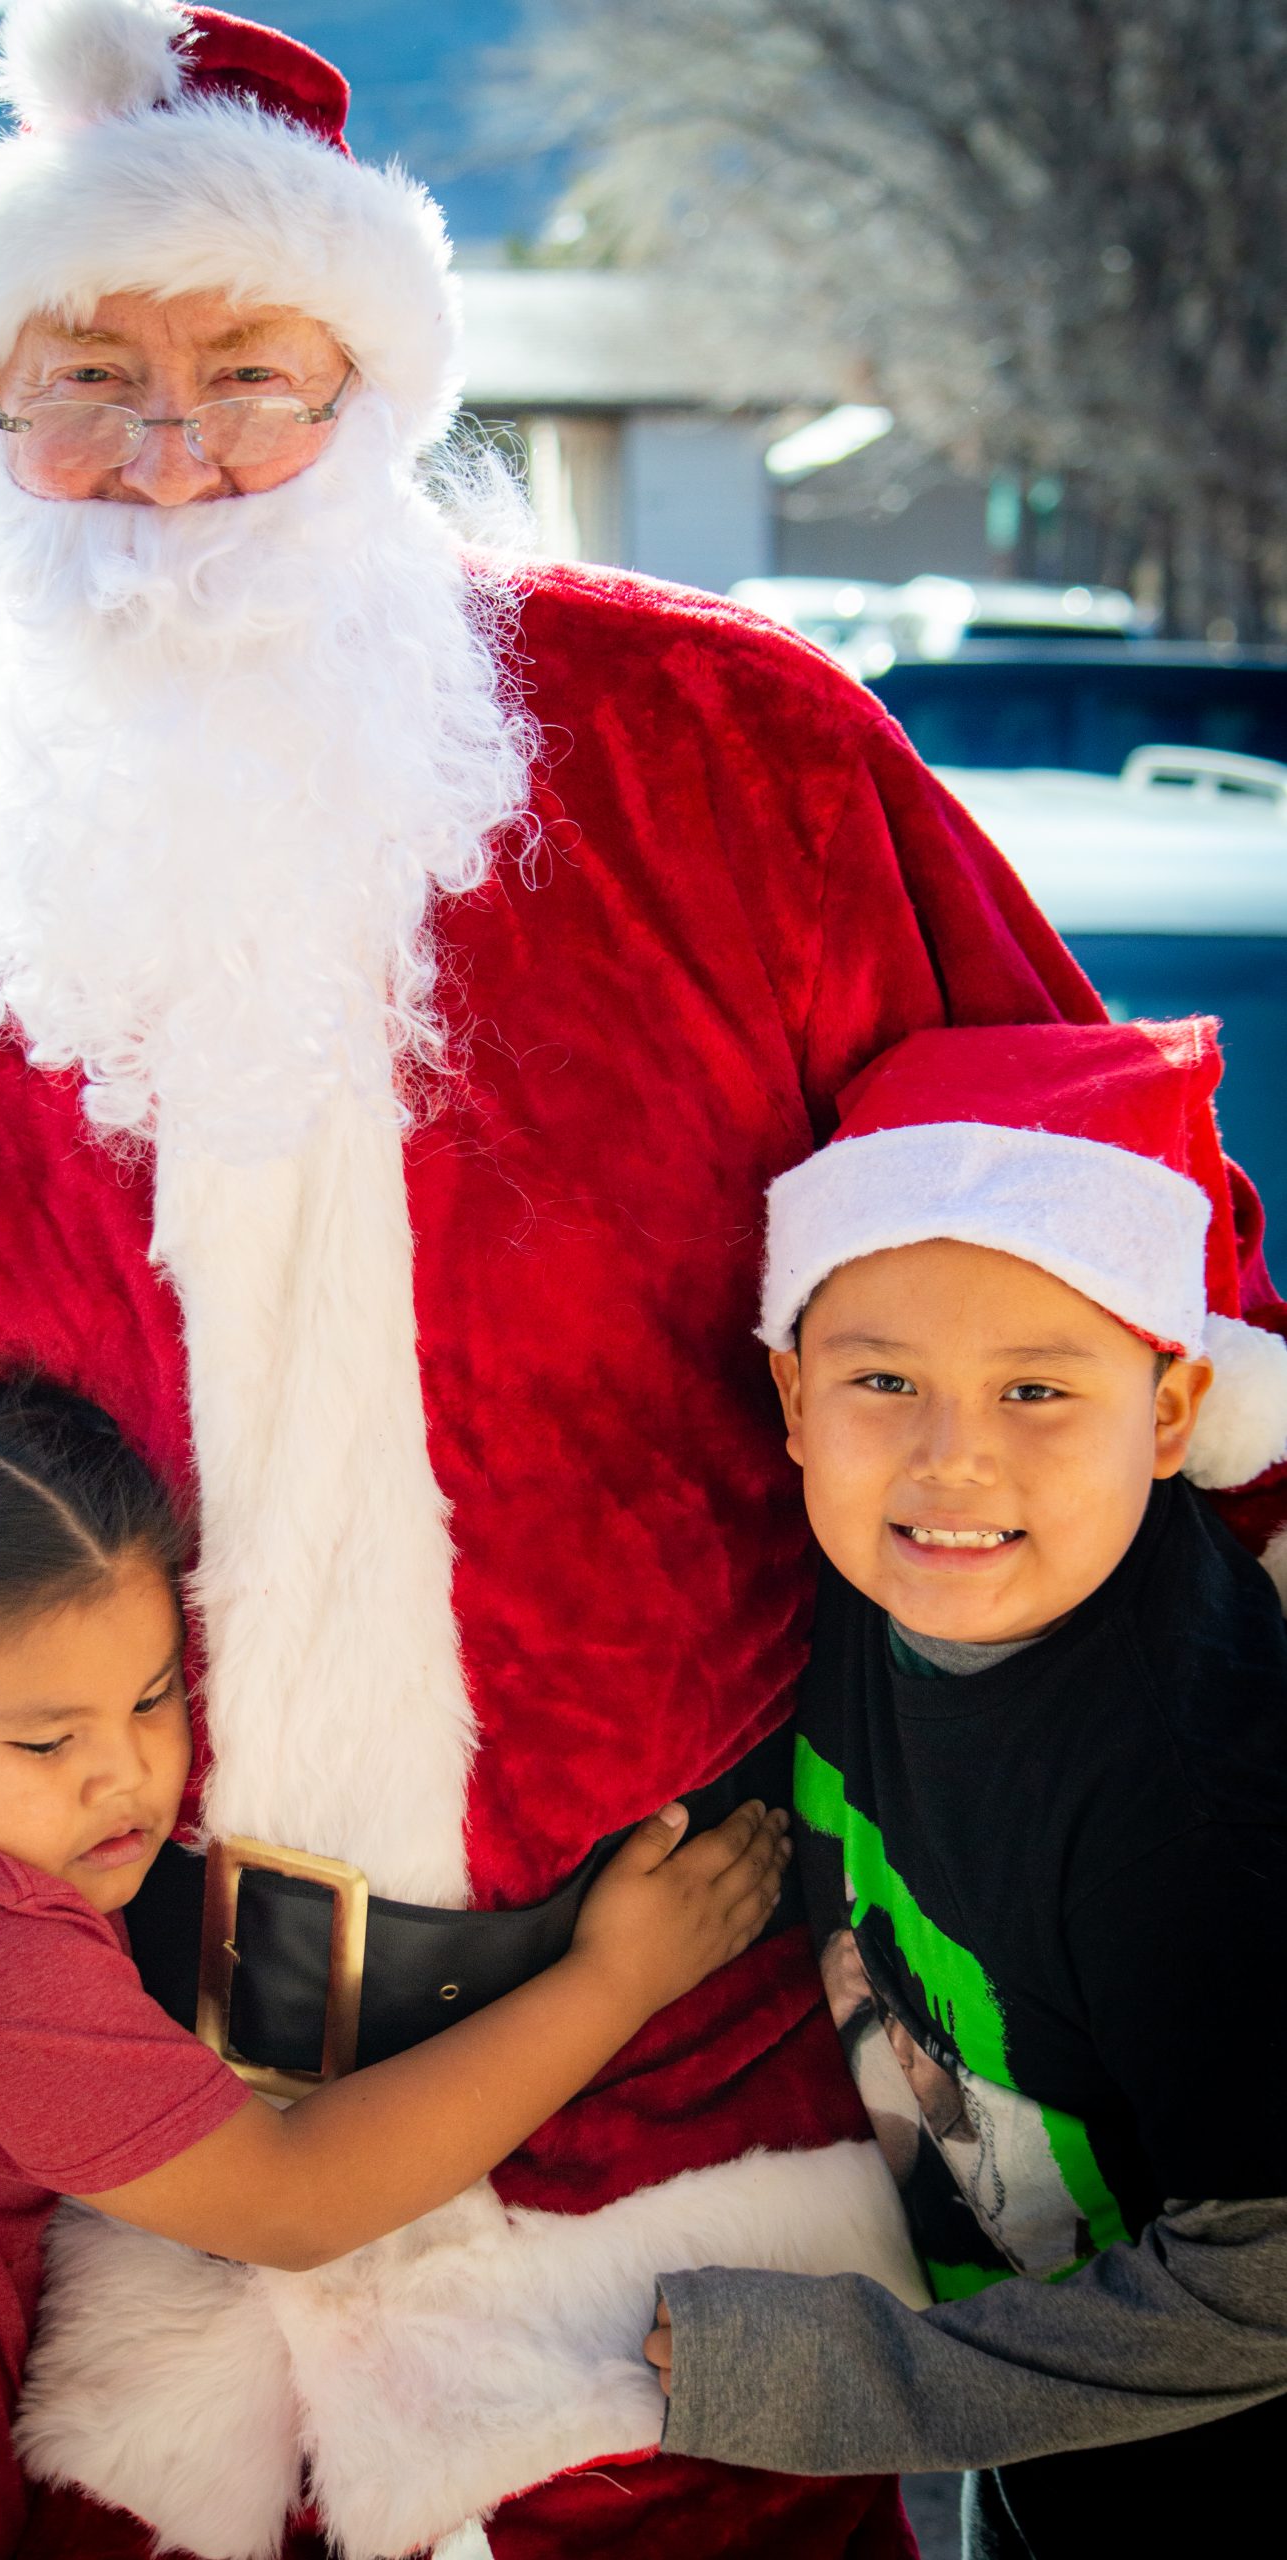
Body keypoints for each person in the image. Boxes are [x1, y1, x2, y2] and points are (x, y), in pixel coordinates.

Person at [0, 4, 1282, 2552]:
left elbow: (1119, 1255)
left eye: (252, 366)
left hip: (672, 2139)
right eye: (83, 376)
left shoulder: (739, 761)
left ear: (372, 386)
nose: (173, 452)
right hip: (90, 2158)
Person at [0, 1376, 794, 2560]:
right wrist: (616, 1979)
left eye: (155, 1697)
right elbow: (290, 2199)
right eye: (46, 1738)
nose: (126, 1775)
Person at [645, 1019, 1287, 2556]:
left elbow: (1266, 2288)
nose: (950, 1463)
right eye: (884, 1380)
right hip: (1040, 2459)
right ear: (792, 1403)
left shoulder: (1188, 1809)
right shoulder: (859, 1596)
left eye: (1035, 1394)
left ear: (1173, 1414)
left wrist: (853, 2380)